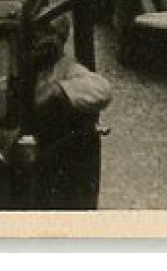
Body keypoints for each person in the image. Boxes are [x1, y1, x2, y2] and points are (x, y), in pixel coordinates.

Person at [30, 11, 111, 209]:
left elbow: (102, 89)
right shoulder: (28, 65)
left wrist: (58, 90)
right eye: (36, 34)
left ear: (60, 39)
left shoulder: (69, 69)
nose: (39, 41)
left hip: (59, 164)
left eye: (48, 35)